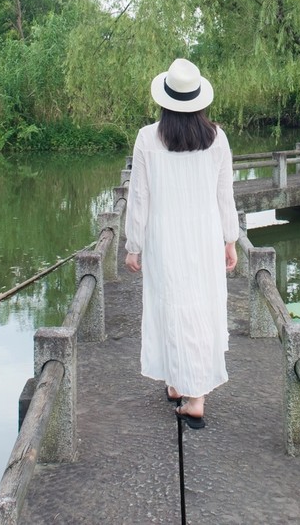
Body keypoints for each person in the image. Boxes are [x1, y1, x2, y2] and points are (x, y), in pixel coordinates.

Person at [124, 58, 239, 429]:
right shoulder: (217, 138)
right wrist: (230, 239)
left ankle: (186, 390)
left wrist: (133, 244)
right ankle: (187, 389)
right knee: (200, 307)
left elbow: (139, 197)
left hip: (164, 236)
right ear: (199, 101)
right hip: (204, 235)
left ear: (165, 100)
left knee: (169, 304)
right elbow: (226, 194)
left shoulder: (147, 137)